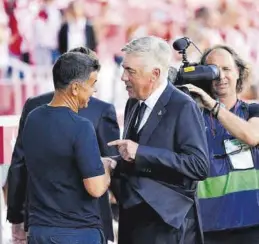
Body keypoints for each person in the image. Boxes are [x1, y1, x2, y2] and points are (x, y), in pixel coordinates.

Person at [7, 47, 120, 243]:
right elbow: (95, 187)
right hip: (78, 231)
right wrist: (109, 166)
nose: (94, 91)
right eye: (92, 84)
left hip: (39, 229)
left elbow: (19, 165)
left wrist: (16, 216)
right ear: (75, 87)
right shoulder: (82, 126)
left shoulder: (34, 116)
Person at [107, 36, 209, 244]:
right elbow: (134, 154)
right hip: (133, 219)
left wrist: (141, 153)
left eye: (130, 71)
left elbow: (199, 165)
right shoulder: (133, 103)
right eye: (124, 69)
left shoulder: (182, 106)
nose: (123, 77)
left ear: (155, 74)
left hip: (167, 224)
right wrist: (114, 162)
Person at [183, 45, 259, 244]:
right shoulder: (192, 117)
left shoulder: (253, 111)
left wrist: (213, 106)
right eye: (213, 70)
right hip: (207, 226)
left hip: (252, 222)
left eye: (226, 69)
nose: (220, 76)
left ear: (239, 73)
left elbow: (251, 136)